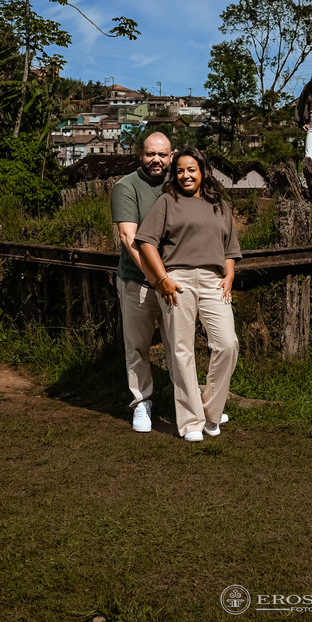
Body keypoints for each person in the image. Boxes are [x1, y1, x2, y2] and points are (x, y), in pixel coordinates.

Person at [134, 148, 241, 443]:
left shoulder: (219, 205)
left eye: (191, 169)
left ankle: (210, 410)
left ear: (202, 171)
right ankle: (191, 421)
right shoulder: (167, 201)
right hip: (177, 280)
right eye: (180, 170)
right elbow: (146, 243)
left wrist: (229, 275)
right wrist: (162, 280)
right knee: (181, 351)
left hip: (213, 281)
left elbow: (230, 248)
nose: (186, 175)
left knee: (227, 344)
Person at [111, 133, 173, 432]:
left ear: (171, 157)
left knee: (180, 346)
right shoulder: (127, 186)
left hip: (176, 282)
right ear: (141, 155)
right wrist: (156, 278)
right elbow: (128, 238)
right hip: (139, 280)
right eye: (151, 154)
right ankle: (142, 403)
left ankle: (188, 404)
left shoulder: (179, 183)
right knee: (137, 346)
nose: (156, 160)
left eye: (162, 155)